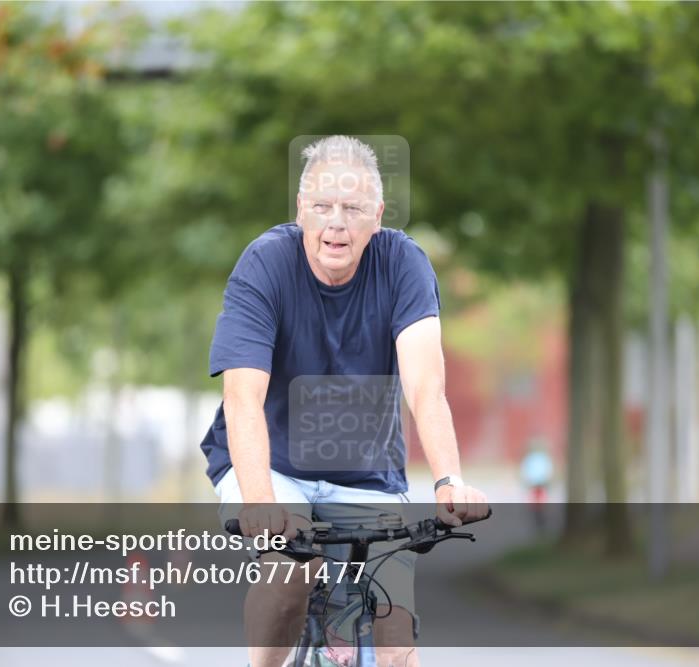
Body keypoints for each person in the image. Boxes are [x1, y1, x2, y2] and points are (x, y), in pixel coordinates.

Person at [200, 135, 489, 667]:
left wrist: (449, 479)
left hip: (367, 472)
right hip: (271, 462)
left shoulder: (404, 264)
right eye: (322, 207)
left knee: (395, 637)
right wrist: (261, 502)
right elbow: (243, 399)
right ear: (300, 211)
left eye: (352, 208)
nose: (336, 223)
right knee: (289, 578)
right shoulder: (265, 264)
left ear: (376, 216)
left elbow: (425, 386)